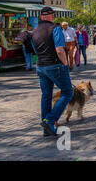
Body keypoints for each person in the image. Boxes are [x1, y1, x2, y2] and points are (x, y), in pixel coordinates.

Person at [31, 7, 73, 137]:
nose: (54, 17)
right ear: (50, 16)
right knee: (67, 92)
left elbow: (35, 50)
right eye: (53, 15)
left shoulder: (35, 32)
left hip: (40, 66)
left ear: (41, 17)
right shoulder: (55, 29)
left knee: (46, 96)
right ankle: (49, 120)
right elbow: (59, 49)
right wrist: (65, 63)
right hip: (55, 65)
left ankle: (46, 129)